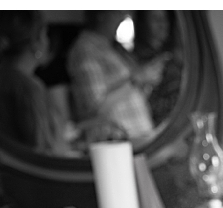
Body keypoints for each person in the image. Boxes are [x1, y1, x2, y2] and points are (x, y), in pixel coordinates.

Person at [66, 10, 164, 141]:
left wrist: (146, 81)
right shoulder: (86, 49)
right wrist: (135, 80)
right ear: (101, 14)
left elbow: (130, 95)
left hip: (139, 139)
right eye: (117, 11)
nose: (123, 16)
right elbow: (95, 108)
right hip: (116, 143)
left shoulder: (116, 48)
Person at [0, 10, 66, 154]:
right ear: (35, 42)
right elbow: (42, 151)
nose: (48, 42)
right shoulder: (28, 86)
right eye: (45, 35)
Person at [131, 10, 184, 127]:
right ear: (143, 23)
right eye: (155, 19)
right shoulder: (135, 62)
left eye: (164, 19)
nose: (162, 24)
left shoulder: (173, 58)